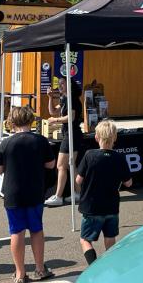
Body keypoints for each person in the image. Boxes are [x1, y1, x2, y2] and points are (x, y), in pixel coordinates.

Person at [0, 106, 56, 283]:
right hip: (35, 191)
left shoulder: (6, 143)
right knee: (36, 230)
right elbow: (51, 164)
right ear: (31, 121)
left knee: (16, 231)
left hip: (13, 193)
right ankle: (40, 268)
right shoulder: (40, 141)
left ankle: (20, 272)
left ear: (12, 122)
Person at [75, 120, 132, 265]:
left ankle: (93, 266)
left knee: (85, 240)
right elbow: (128, 182)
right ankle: (111, 266)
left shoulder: (89, 155)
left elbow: (78, 180)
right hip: (111, 205)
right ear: (115, 138)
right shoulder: (119, 157)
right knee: (110, 238)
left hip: (91, 206)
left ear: (96, 137)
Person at [44, 78, 83, 207]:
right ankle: (78, 193)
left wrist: (55, 121)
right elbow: (53, 112)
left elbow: (70, 117)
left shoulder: (73, 99)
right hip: (69, 134)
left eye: (63, 83)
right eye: (59, 84)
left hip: (72, 134)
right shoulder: (64, 99)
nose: (60, 86)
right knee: (71, 165)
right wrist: (50, 98)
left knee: (61, 166)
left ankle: (58, 196)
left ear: (70, 85)